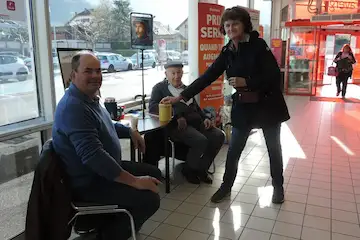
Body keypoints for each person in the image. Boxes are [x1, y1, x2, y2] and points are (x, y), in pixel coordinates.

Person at [161, 7, 290, 204]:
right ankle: (226, 186)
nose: (230, 28)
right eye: (227, 25)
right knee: (234, 150)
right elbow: (208, 76)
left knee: (274, 149)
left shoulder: (258, 45)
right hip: (244, 108)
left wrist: (246, 82)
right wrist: (181, 97)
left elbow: (273, 76)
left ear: (244, 24)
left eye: (235, 24)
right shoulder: (228, 50)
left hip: (267, 107)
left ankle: (278, 187)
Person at [52, 51, 162, 240]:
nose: (95, 76)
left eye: (98, 71)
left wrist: (129, 131)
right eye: (88, 71)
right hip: (89, 182)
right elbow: (93, 156)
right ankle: (109, 234)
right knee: (150, 199)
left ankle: (119, 223)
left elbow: (107, 124)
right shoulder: (74, 107)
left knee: (155, 174)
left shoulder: (89, 99)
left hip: (103, 172)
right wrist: (135, 181)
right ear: (73, 75)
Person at [148, 61, 225, 184]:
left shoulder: (186, 90)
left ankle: (202, 169)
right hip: (177, 126)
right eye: (173, 73)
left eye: (179, 72)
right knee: (200, 140)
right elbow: (152, 107)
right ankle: (189, 170)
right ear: (166, 74)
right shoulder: (159, 88)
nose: (176, 76)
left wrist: (205, 117)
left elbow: (197, 108)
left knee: (218, 135)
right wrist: (175, 115)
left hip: (196, 122)